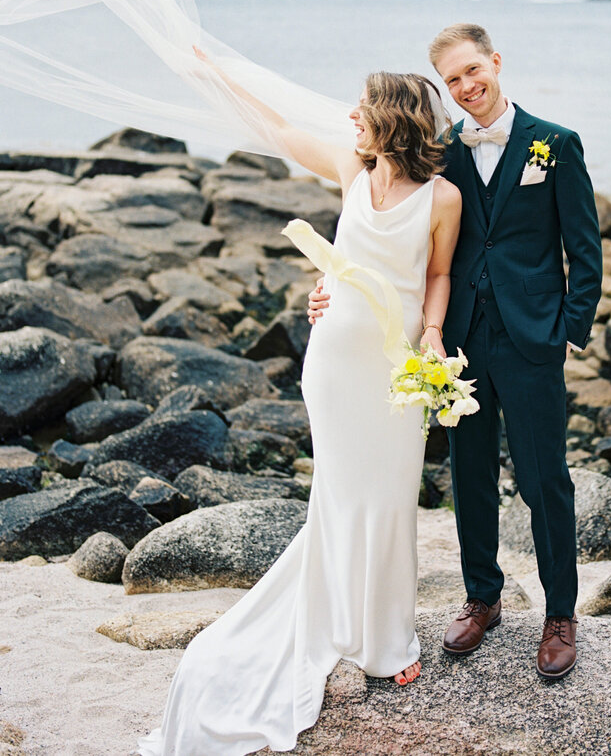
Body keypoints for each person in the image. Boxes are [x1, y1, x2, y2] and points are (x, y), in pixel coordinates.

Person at [137, 59, 462, 755]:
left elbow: (438, 273)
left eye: (364, 107)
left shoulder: (443, 198)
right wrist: (212, 73)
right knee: (342, 495)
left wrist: (432, 333)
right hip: (336, 364)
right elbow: (279, 128)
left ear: (392, 118)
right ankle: (348, 627)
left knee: (393, 497)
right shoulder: (352, 168)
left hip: (398, 368)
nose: (351, 116)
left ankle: (385, 637)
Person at [310, 23, 602, 680]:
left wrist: (567, 333)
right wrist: (332, 287)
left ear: (496, 61)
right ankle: (483, 596)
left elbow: (585, 252)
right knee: (469, 475)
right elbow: (388, 226)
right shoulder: (440, 152)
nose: (468, 86)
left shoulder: (556, 145)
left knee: (543, 477)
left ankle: (560, 612)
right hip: (461, 341)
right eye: (453, 81)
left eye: (475, 71)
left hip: (533, 342)